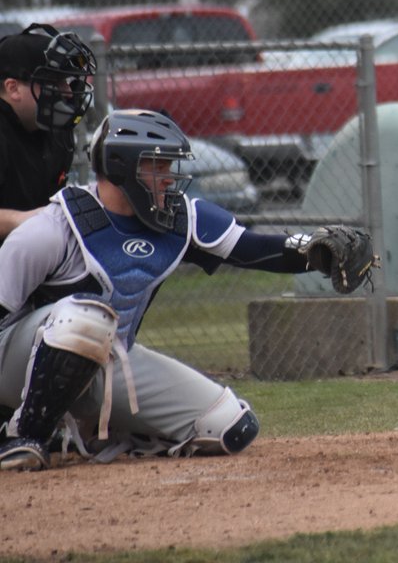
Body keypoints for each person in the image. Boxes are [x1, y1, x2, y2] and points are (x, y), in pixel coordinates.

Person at [0, 109, 373, 471]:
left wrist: (315, 252)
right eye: (156, 166)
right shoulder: (54, 227)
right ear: (120, 168)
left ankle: (105, 433)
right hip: (18, 368)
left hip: (111, 364)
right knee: (84, 317)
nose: (168, 178)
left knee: (229, 426)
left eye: (168, 167)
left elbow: (252, 249)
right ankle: (23, 435)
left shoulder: (177, 219)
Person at [0, 24, 97, 243]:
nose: (66, 91)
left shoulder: (55, 131)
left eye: (66, 80)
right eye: (53, 81)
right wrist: (26, 220)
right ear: (13, 88)